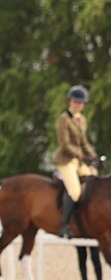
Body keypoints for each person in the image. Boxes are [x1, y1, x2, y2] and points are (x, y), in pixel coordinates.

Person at [54, 85, 99, 239]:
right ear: (70, 102)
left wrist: (94, 157)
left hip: (79, 161)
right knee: (75, 191)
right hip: (66, 160)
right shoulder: (63, 119)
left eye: (80, 103)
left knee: (92, 182)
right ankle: (64, 226)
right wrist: (81, 156)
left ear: (83, 105)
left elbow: (84, 142)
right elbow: (65, 144)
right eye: (75, 102)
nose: (77, 105)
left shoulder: (82, 120)